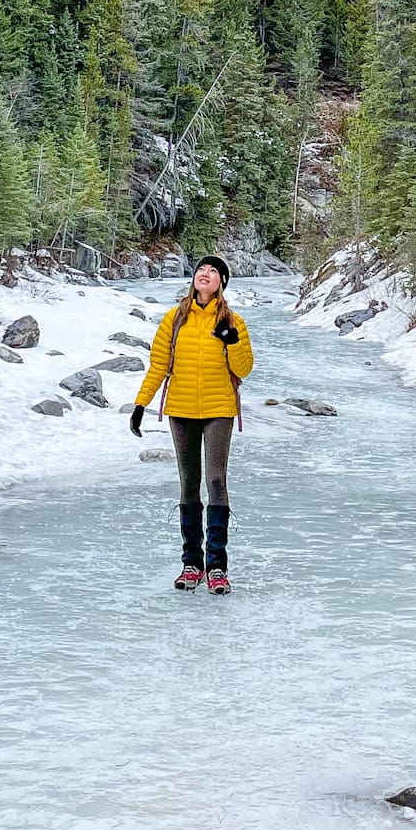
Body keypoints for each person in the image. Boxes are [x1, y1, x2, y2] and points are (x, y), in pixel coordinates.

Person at [130, 254, 253, 594]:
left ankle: (216, 566)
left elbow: (244, 369)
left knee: (215, 481)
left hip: (218, 409)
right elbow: (158, 365)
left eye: (214, 272)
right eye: (202, 269)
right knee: (188, 483)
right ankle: (191, 563)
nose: (205, 274)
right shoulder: (175, 319)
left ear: (221, 284)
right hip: (181, 409)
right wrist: (141, 403)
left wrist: (233, 341)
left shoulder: (232, 321)